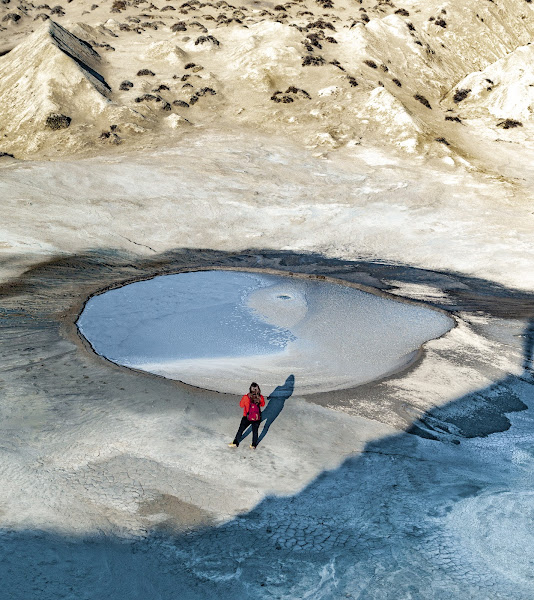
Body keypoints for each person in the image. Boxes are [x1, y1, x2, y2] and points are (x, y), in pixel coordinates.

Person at [228, 382, 265, 449]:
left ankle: (235, 443)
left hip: (247, 417)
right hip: (257, 417)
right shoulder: (260, 397)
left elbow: (241, 405)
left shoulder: (246, 397)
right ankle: (253, 445)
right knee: (255, 432)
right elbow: (262, 404)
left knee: (241, 430)